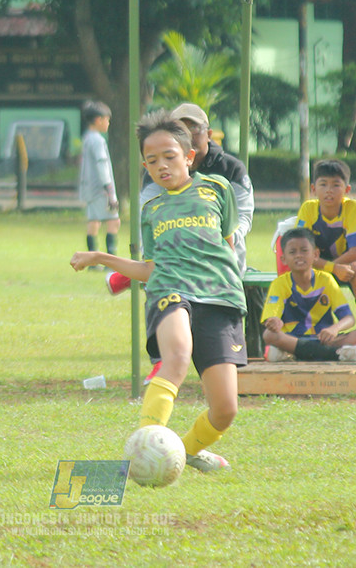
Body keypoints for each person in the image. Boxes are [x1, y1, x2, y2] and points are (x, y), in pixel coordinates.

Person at [70, 111, 245, 474]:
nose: (161, 166)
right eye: (151, 161)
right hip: (171, 291)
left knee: (225, 410)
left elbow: (227, 246)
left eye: (169, 156)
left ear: (189, 156)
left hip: (219, 297)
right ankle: (142, 451)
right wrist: (100, 257)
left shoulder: (218, 189)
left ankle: (183, 451)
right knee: (176, 357)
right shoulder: (151, 209)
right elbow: (151, 269)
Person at [104, 103, 255, 383]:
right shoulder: (157, 172)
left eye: (193, 128)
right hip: (173, 264)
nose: (188, 133)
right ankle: (161, 359)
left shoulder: (228, 170)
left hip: (218, 262)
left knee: (224, 399)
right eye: (180, 127)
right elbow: (148, 217)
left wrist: (209, 240)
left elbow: (242, 217)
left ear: (207, 134)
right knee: (160, 284)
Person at [296, 159, 356, 358]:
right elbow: (302, 252)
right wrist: (333, 269)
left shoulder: (352, 208)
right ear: (313, 189)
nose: (329, 191)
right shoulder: (308, 209)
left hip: (354, 264)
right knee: (300, 270)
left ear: (347, 189)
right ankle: (303, 339)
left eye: (336, 185)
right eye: (323, 184)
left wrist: (332, 267)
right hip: (325, 267)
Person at [261, 228, 356, 362]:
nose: (299, 255)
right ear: (283, 259)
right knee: (269, 335)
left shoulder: (326, 280)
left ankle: (295, 354)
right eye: (292, 252)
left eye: (304, 250)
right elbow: (271, 317)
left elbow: (349, 318)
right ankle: (336, 354)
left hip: (324, 339)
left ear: (315, 254)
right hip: (293, 339)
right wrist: (274, 322)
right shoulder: (279, 284)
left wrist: (334, 329)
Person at [78, 100, 119, 264]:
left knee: (94, 221)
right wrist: (109, 190)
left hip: (89, 188)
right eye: (106, 119)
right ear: (98, 120)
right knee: (114, 221)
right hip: (101, 189)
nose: (108, 123)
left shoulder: (87, 138)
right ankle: (110, 259)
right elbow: (102, 164)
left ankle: (93, 261)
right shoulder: (98, 140)